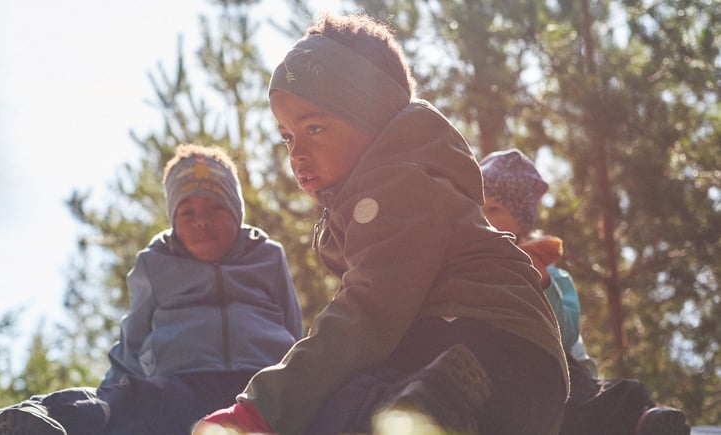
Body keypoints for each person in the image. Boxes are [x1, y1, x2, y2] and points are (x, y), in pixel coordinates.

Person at [194, 13, 568, 435]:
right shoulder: (389, 192)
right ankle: (428, 405)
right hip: (517, 371)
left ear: (371, 116)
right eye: (287, 136)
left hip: (484, 348)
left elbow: (368, 312)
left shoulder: (398, 186)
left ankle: (437, 400)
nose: (296, 153)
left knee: (341, 403)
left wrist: (264, 407)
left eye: (314, 128)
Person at [0, 143, 303, 435]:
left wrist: (299, 381)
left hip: (261, 385)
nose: (201, 219)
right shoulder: (156, 262)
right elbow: (134, 340)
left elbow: (293, 327)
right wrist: (112, 393)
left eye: (216, 207)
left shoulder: (266, 255)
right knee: (127, 402)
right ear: (173, 219)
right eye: (187, 211)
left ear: (237, 212)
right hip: (182, 384)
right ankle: (35, 420)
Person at [479, 148, 690, 435]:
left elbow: (566, 335)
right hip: (500, 369)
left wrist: (543, 284)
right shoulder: (471, 266)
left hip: (555, 372)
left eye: (494, 209)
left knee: (604, 394)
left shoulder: (554, 277)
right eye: (478, 208)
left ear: (521, 220)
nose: (484, 217)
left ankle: (642, 423)